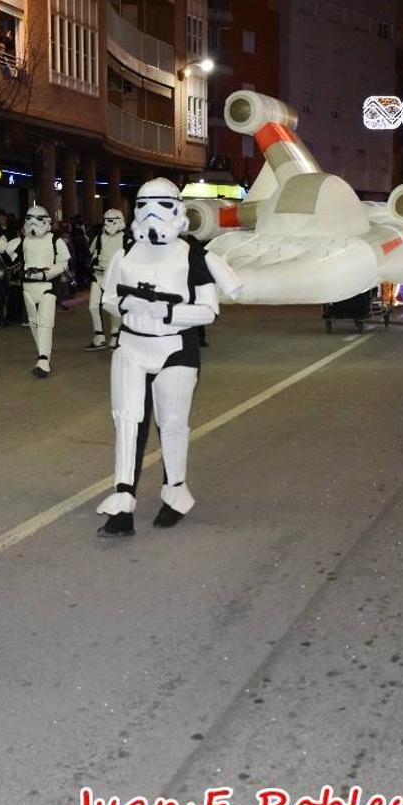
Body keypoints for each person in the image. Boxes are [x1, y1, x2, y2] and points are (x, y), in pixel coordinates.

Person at [95, 179, 235, 537]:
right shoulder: (123, 255)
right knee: (126, 421)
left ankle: (175, 493)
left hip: (175, 346)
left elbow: (209, 310)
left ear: (177, 208)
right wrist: (129, 305)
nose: (152, 212)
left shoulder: (194, 255)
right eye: (145, 204)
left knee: (172, 424)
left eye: (162, 204)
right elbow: (109, 299)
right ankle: (123, 499)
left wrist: (167, 314)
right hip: (131, 345)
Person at [3, 204, 68, 378]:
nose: (33, 224)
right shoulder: (23, 241)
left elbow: (63, 264)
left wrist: (45, 274)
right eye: (29, 219)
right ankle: (43, 356)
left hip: (47, 286)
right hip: (28, 286)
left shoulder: (55, 240)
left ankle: (43, 358)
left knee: (45, 323)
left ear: (46, 221)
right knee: (34, 323)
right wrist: (3, 251)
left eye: (38, 219)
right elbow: (11, 263)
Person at [86, 208, 126, 350]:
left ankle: (115, 335)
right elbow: (92, 255)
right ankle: (99, 336)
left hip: (116, 278)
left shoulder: (126, 239)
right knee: (93, 306)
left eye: (112, 220)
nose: (109, 224)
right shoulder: (99, 238)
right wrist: (93, 265)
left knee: (114, 307)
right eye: (106, 221)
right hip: (99, 276)